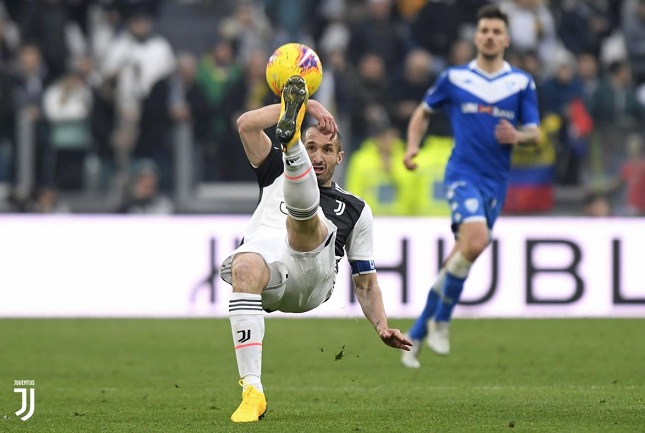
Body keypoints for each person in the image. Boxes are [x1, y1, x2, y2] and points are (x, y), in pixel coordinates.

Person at [219, 75, 412, 422]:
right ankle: (252, 392)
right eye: (310, 147)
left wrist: (382, 325)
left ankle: (288, 142)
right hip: (274, 275)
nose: (319, 156)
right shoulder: (272, 172)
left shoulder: (354, 208)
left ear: (340, 157)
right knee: (244, 265)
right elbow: (246, 125)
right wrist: (302, 106)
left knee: (304, 223)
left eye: (326, 150)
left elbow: (365, 282)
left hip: (313, 281)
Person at [400, 4, 541, 369]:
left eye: (496, 31)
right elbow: (422, 113)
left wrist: (519, 135)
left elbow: (536, 132)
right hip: (463, 173)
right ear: (476, 37)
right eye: (484, 31)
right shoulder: (455, 78)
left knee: (462, 253)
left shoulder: (521, 82)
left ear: (506, 39)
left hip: (497, 181)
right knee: (476, 241)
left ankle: (416, 333)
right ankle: (443, 320)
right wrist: (412, 146)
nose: (490, 36)